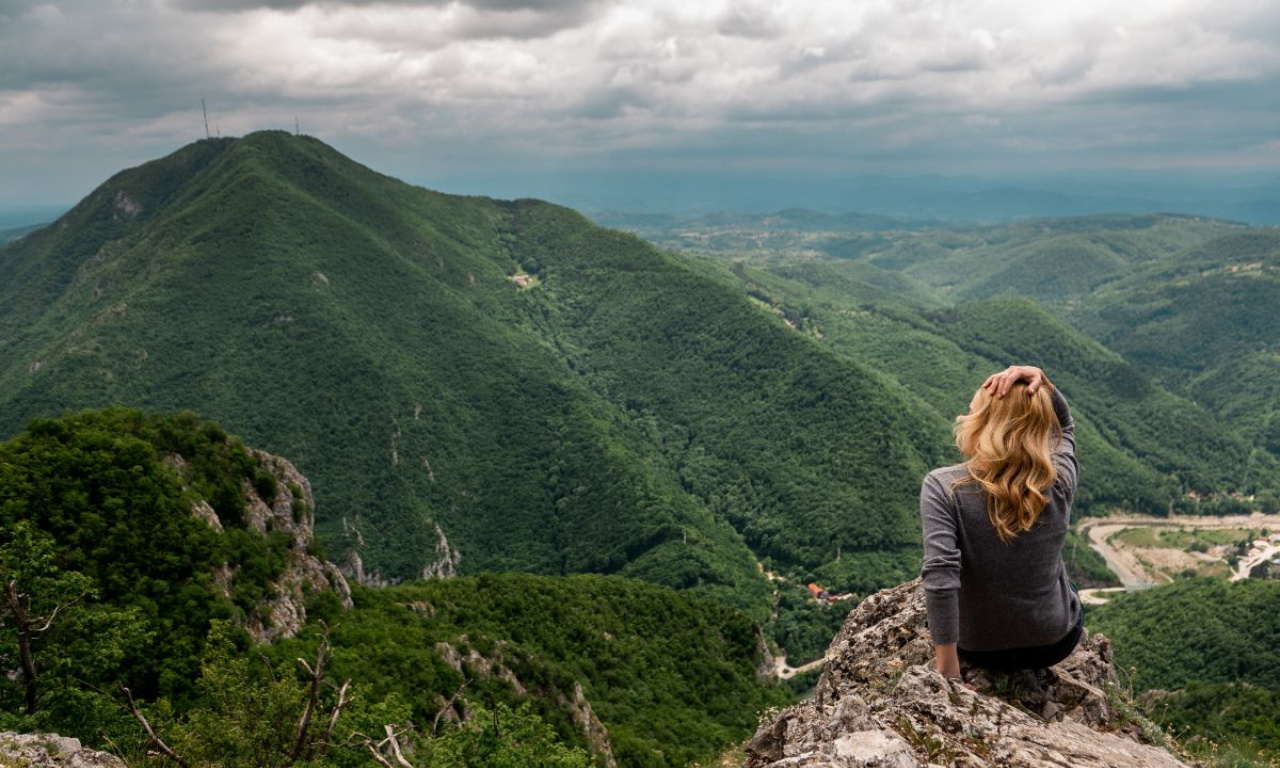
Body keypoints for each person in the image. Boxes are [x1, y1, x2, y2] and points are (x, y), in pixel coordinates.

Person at [920, 364, 1081, 678]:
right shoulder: (1059, 481)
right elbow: (1065, 426)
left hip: (979, 649)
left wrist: (949, 671)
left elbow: (941, 579)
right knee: (1067, 585)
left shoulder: (943, 487)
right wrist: (1044, 384)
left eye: (971, 413)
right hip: (1054, 642)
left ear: (984, 425)